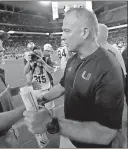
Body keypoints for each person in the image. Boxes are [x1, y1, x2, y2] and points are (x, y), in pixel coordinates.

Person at [23, 8, 124, 148]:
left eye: (67, 31)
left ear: (84, 32)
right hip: (69, 135)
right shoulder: (74, 60)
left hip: (92, 144)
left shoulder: (108, 68)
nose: (62, 37)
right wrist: (41, 98)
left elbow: (106, 133)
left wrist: (51, 123)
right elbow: (64, 86)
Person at [25, 46, 55, 111]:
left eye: (39, 53)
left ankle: (52, 120)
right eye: (35, 53)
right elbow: (25, 72)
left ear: (42, 52)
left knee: (50, 109)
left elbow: (51, 70)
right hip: (36, 88)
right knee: (38, 108)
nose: (37, 56)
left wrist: (43, 62)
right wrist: (29, 62)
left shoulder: (46, 59)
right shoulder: (31, 61)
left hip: (47, 88)